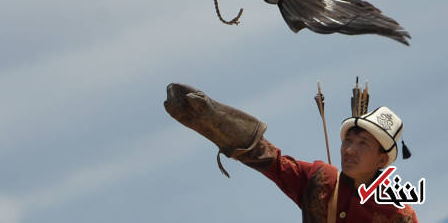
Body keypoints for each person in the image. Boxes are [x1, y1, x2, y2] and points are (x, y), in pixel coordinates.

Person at [164, 83, 419, 223]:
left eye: (363, 143)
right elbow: (269, 160)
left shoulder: (398, 215)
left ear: (382, 159)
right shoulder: (322, 180)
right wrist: (215, 120)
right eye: (347, 140)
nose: (349, 149)